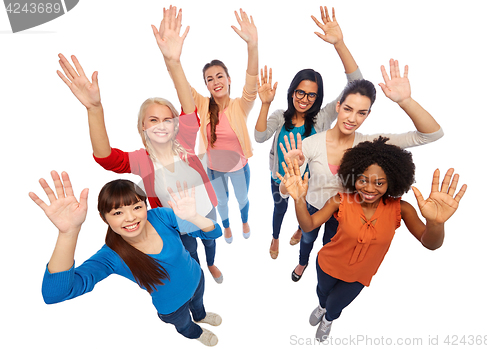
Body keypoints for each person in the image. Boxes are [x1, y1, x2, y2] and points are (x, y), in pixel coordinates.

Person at [56, 8, 223, 283]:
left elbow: (189, 109)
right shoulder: (142, 160)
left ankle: (213, 263)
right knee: (189, 251)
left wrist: (173, 62)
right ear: (143, 128)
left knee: (210, 239)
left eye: (167, 119)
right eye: (153, 120)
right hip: (177, 223)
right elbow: (106, 158)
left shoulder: (184, 141)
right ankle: (197, 273)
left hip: (204, 207)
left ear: (176, 125)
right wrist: (94, 109)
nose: (161, 124)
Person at [278, 137, 467, 342]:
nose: (369, 188)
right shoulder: (340, 200)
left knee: (335, 305)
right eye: (363, 180)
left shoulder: (401, 209)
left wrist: (436, 223)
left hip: (359, 275)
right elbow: (308, 226)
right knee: (322, 293)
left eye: (379, 182)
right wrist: (299, 200)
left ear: (392, 181)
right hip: (328, 263)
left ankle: (329, 318)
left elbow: (430, 243)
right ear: (354, 177)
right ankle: (321, 306)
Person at [281, 59, 444, 281]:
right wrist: (291, 173)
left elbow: (431, 134)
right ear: (338, 106)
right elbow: (285, 190)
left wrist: (405, 101)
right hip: (313, 205)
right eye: (347, 109)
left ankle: (326, 268)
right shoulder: (311, 143)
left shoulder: (369, 144)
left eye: (361, 113)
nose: (352, 118)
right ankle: (302, 262)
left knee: (331, 243)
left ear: (367, 115)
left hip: (346, 214)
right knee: (308, 238)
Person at [30, 171, 223, 346]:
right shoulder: (111, 256)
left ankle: (200, 315)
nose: (130, 218)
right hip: (173, 307)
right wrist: (68, 233)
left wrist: (195, 217)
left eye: (137, 207)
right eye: (118, 213)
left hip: (197, 279)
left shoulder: (162, 216)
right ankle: (194, 332)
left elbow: (214, 233)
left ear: (145, 206)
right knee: (185, 326)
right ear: (104, 217)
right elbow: (54, 294)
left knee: (199, 304)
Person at [254, 6, 362, 259]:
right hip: (280, 178)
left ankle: (301, 229)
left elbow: (356, 85)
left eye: (311, 94)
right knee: (279, 209)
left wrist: (340, 44)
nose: (304, 98)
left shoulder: (324, 117)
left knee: (307, 212)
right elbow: (259, 137)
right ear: (292, 92)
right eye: (300, 92)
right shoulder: (280, 115)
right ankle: (275, 237)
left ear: (318, 97)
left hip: (311, 182)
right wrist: (265, 103)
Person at [156, 6, 258, 243]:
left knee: (242, 199)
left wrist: (252, 46)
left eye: (220, 76)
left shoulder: (239, 105)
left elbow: (251, 83)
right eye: (210, 79)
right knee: (221, 201)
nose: (215, 82)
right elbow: (178, 82)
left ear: (229, 79)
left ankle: (243, 220)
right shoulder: (202, 105)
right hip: (213, 168)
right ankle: (226, 225)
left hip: (239, 167)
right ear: (207, 85)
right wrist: (170, 58)